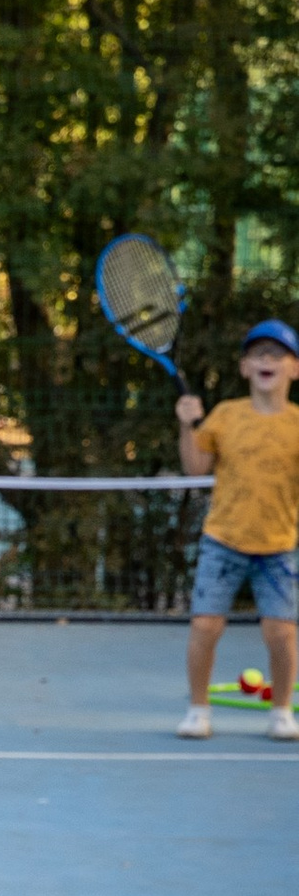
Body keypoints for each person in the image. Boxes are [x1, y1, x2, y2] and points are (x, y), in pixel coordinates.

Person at [173, 317, 299, 740]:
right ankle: (198, 709)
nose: (268, 361)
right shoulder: (226, 416)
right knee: (205, 627)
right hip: (222, 541)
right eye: (259, 354)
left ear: (294, 369)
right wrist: (188, 424)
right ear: (245, 368)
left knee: (281, 633)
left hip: (279, 545)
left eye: (279, 355)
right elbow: (195, 467)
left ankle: (281, 712)